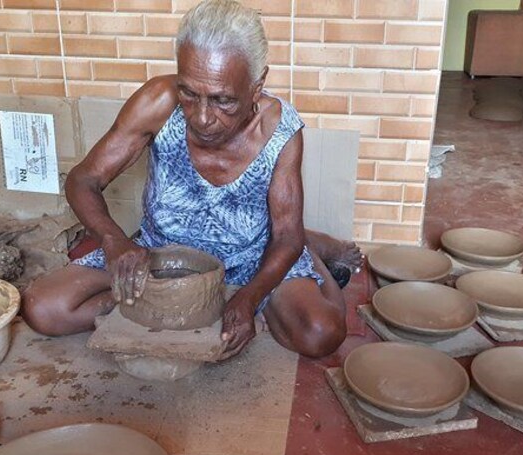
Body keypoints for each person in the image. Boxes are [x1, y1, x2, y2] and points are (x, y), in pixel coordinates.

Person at [22, 0, 362, 359]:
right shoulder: (157, 102)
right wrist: (113, 241)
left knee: (321, 332)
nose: (201, 117)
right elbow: (82, 179)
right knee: (43, 308)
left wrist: (249, 298)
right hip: (162, 260)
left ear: (257, 85)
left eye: (223, 100)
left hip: (250, 262)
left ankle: (314, 250)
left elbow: (285, 237)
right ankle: (174, 301)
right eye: (189, 92)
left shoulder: (279, 131)